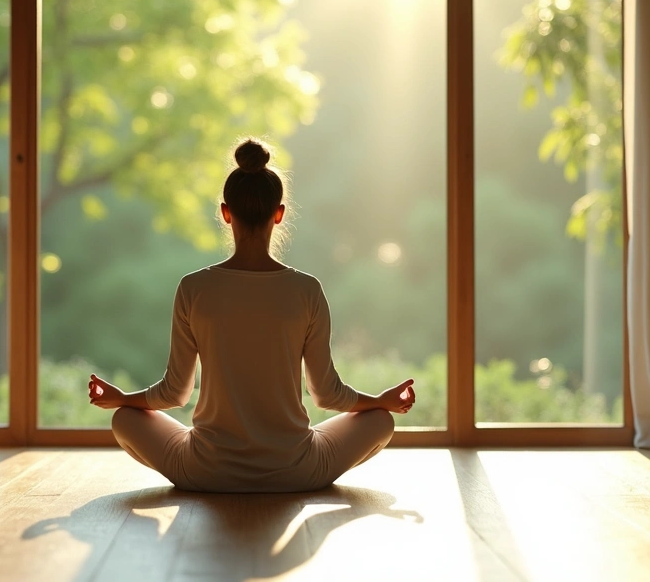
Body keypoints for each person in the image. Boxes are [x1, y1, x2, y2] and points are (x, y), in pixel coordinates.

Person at [87, 138, 416, 493]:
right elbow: (327, 395)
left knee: (124, 419)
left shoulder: (194, 288)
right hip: (295, 470)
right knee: (380, 422)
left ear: (226, 214)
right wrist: (379, 402)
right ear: (279, 213)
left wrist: (122, 399)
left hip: (205, 470)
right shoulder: (306, 290)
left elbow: (174, 393)